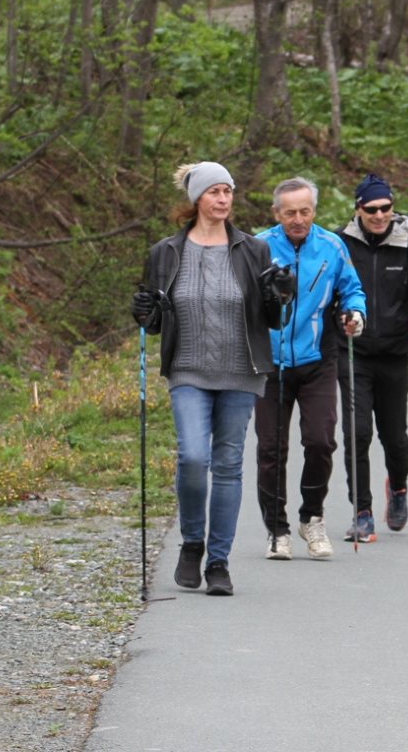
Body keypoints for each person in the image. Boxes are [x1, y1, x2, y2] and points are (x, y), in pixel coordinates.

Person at [133, 162, 292, 596]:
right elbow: (153, 322)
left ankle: (218, 563)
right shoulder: (166, 252)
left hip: (242, 369)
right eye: (215, 192)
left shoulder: (253, 250)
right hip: (187, 367)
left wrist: (280, 294)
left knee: (227, 465)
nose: (223, 199)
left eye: (228, 191)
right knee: (192, 457)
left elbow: (274, 319)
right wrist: (145, 313)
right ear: (196, 199)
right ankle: (191, 544)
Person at [254, 177, 366, 560]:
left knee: (321, 441)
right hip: (269, 362)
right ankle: (276, 530)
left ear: (314, 211)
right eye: (289, 213)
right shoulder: (258, 247)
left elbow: (352, 289)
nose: (298, 219)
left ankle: (311, 517)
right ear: (276, 213)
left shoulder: (332, 246)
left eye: (304, 211)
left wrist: (355, 314)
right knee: (272, 448)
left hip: (318, 358)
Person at [336, 174, 408, 540]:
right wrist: (342, 318)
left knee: (393, 435)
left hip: (396, 349)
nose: (380, 215)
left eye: (386, 208)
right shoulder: (340, 242)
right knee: (357, 432)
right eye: (372, 209)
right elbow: (330, 293)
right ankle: (361, 511)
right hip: (353, 351)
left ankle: (397, 489)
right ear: (358, 209)